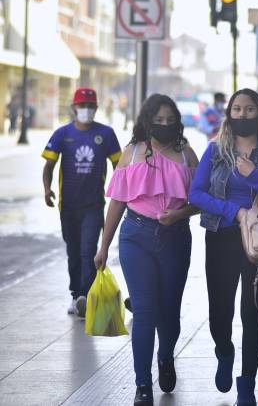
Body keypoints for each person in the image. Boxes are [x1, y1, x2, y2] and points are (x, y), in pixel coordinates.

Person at [188, 88, 258, 406]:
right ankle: (224, 351)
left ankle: (247, 387)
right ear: (228, 114)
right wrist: (235, 212)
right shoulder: (215, 150)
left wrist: (256, 177)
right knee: (219, 314)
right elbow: (196, 194)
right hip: (222, 237)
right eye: (236, 109)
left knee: (252, 313)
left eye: (249, 109)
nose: (242, 115)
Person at [94, 94, 198, 406]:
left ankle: (165, 357)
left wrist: (179, 214)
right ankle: (142, 384)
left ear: (177, 122)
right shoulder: (132, 153)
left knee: (169, 312)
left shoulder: (186, 154)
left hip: (175, 237)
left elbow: (201, 200)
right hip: (135, 237)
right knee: (144, 311)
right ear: (147, 121)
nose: (164, 125)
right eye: (159, 120)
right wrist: (103, 247)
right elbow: (117, 202)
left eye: (170, 120)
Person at [41, 88, 121, 317]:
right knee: (73, 253)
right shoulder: (62, 134)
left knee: (88, 251)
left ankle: (86, 296)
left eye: (90, 106)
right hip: (68, 206)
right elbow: (49, 165)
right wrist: (47, 189)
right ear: (74, 108)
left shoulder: (106, 134)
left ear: (96, 108)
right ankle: (76, 294)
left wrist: (119, 192)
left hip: (94, 205)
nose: (86, 109)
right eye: (82, 105)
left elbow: (119, 165)